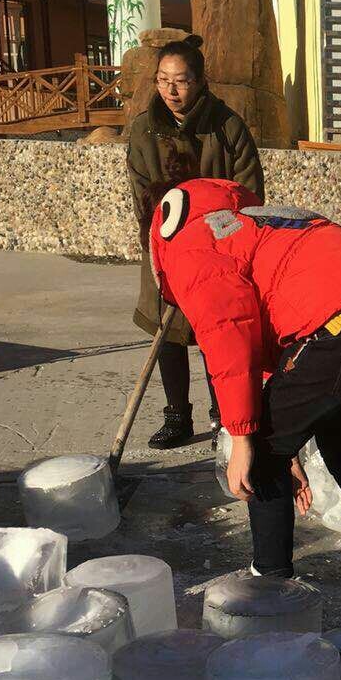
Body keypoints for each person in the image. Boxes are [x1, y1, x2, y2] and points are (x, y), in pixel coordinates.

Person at [149, 177, 341, 599]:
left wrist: (244, 438)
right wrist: (289, 449)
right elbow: (279, 357)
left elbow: (230, 337)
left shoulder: (193, 244)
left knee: (262, 448)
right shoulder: (262, 223)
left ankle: (270, 584)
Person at [127, 34, 264, 449]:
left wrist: (222, 242)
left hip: (217, 253)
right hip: (166, 247)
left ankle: (223, 416)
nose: (171, 90)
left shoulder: (227, 127)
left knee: (216, 336)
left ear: (200, 81)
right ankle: (177, 416)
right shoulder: (144, 129)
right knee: (168, 334)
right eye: (163, 80)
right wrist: (161, 240)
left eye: (181, 81)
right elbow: (141, 191)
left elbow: (248, 193)